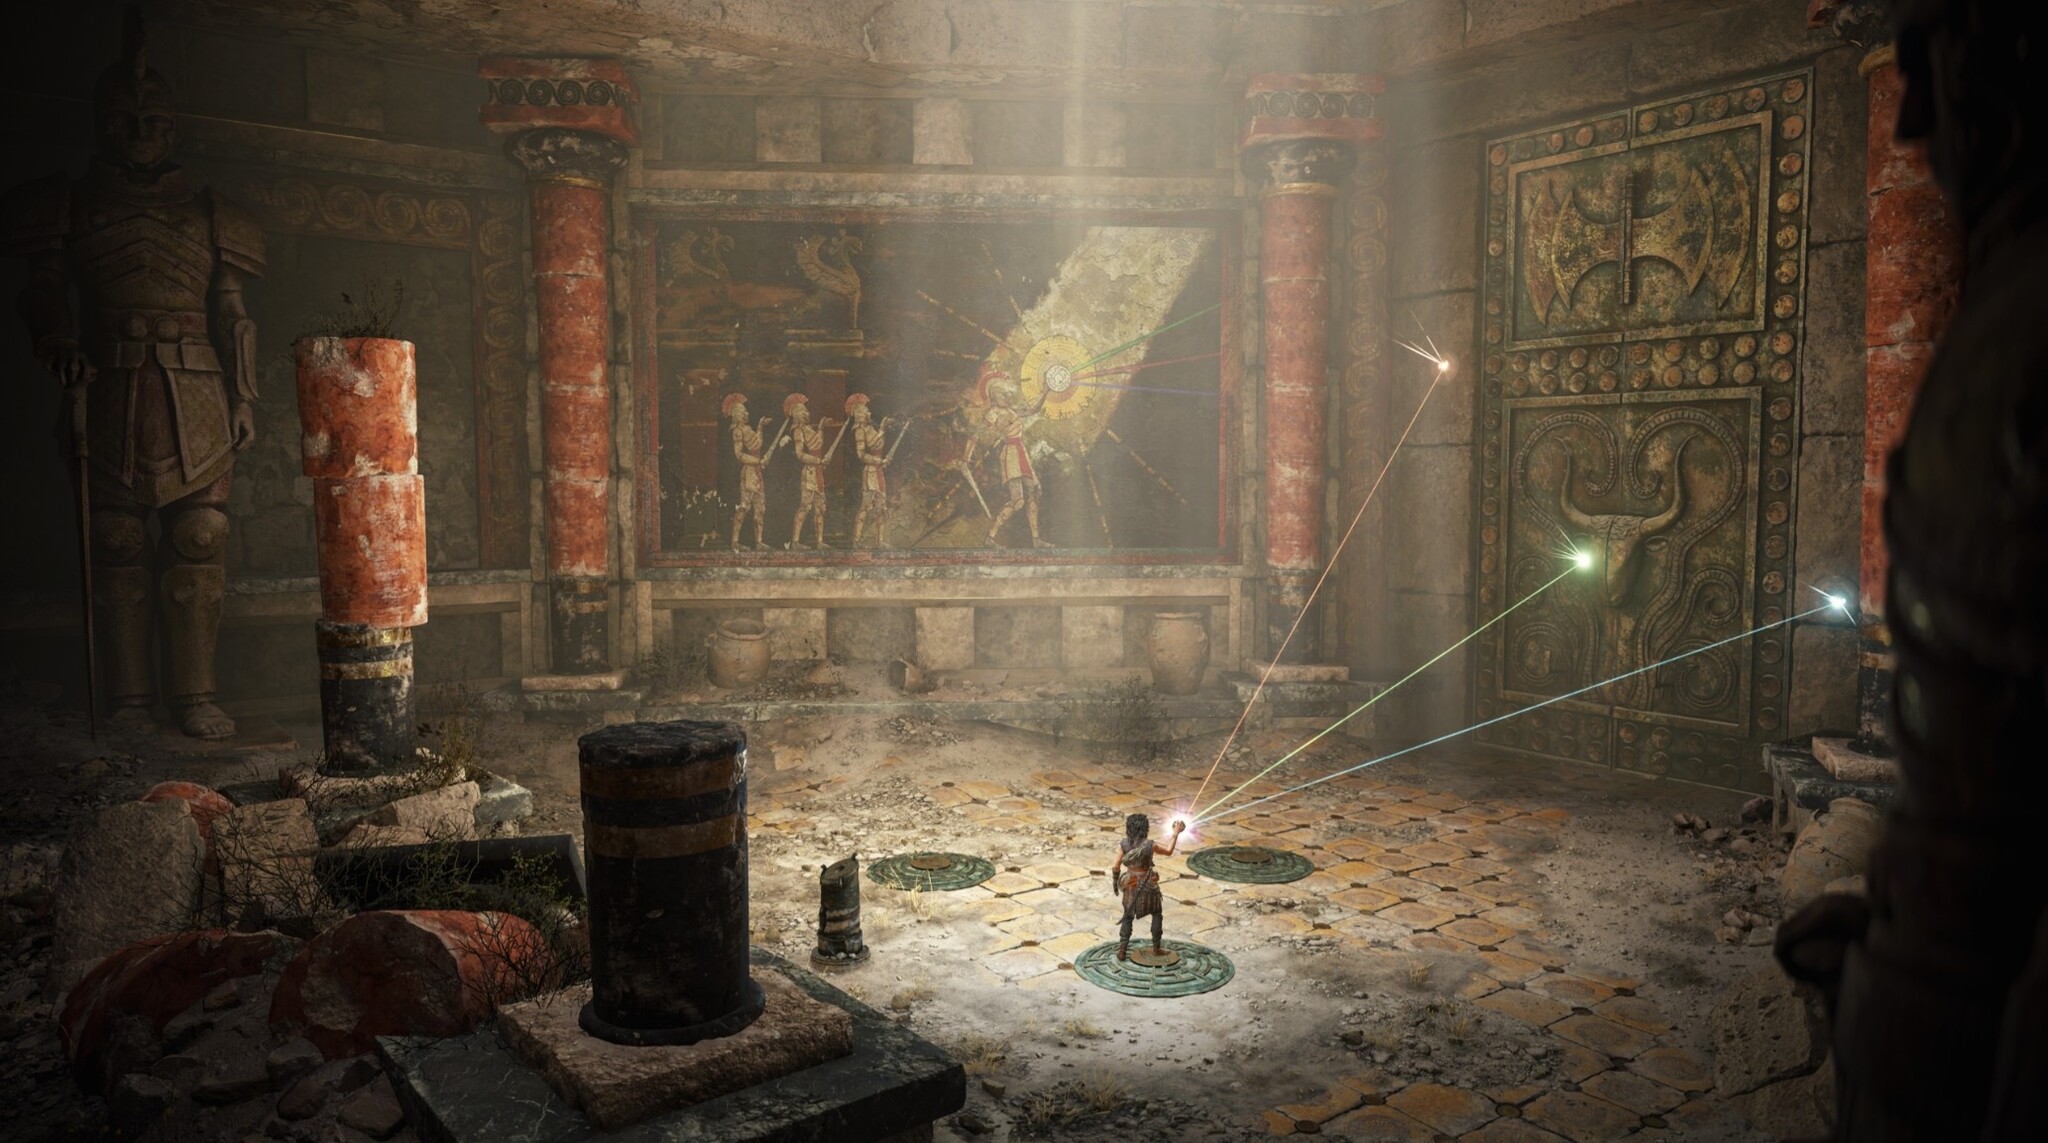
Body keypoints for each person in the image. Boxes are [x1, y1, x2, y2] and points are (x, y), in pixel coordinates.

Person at [3, 19, 263, 739]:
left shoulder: (213, 215)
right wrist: (58, 339)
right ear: (101, 123)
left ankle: (195, 695)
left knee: (201, 535)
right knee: (116, 540)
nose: (143, 132)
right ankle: (128, 702)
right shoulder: (66, 204)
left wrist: (245, 397)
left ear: (174, 126)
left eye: (156, 120)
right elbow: (43, 289)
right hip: (109, 386)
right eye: (126, 119)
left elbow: (234, 314)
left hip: (199, 392)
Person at [957, 371, 1052, 548]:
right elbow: (976, 435)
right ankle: (990, 538)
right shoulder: (993, 413)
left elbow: (1033, 409)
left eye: (1008, 393)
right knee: (1018, 501)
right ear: (994, 396)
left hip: (1021, 451)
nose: (1008, 396)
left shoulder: (1012, 411)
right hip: (1011, 454)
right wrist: (966, 458)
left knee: (1035, 491)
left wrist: (1046, 391)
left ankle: (1035, 539)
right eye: (1003, 394)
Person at [1111, 813, 1185, 961]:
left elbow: (1115, 866)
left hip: (1130, 884)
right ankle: (1156, 948)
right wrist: (1175, 834)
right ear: (1145, 828)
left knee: (1128, 916)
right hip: (1148, 884)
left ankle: (1122, 950)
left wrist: (1115, 882)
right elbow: (1169, 851)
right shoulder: (1151, 845)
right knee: (1156, 913)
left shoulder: (1124, 844)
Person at [723, 393, 769, 550]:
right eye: (742, 411)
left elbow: (758, 444)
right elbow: (739, 455)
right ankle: (735, 541)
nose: (745, 413)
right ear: (736, 414)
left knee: (760, 507)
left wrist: (760, 426)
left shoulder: (748, 428)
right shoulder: (737, 431)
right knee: (744, 506)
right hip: (749, 472)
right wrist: (758, 461)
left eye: (745, 410)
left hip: (757, 471)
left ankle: (759, 541)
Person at [846, 393, 891, 548]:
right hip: (871, 472)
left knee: (881, 507)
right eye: (866, 410)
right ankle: (856, 540)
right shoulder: (859, 430)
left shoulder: (870, 428)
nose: (869, 412)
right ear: (859, 414)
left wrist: (882, 429)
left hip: (879, 470)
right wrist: (878, 460)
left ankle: (880, 541)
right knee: (866, 506)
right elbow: (861, 454)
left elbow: (878, 445)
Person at [784, 392, 826, 550]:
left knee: (820, 508)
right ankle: (795, 542)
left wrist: (820, 428)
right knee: (806, 507)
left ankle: (819, 541)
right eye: (801, 411)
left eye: (805, 410)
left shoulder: (809, 429)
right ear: (795, 415)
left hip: (818, 471)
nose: (805, 413)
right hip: (809, 472)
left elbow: (818, 443)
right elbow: (800, 454)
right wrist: (818, 461)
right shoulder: (798, 431)